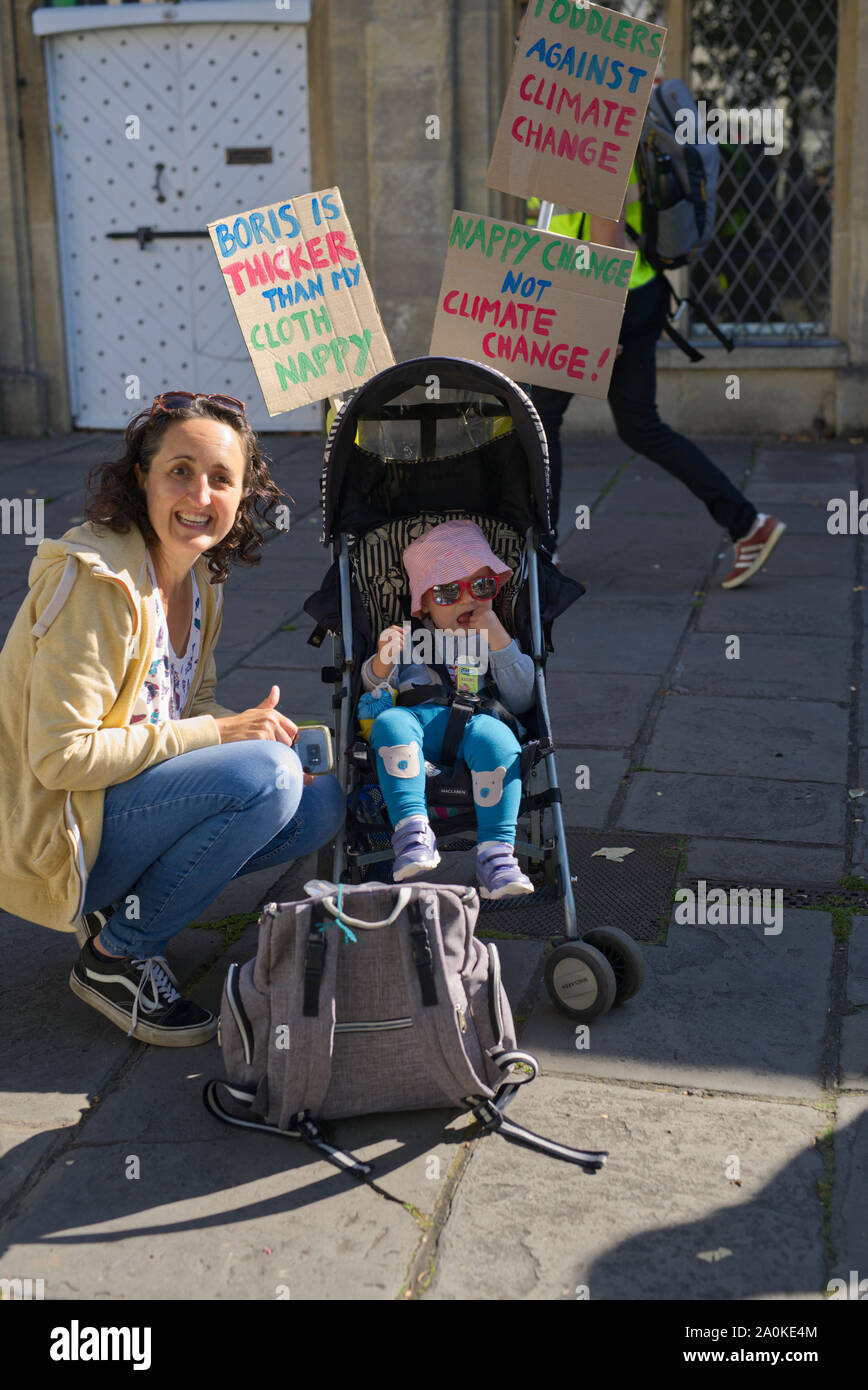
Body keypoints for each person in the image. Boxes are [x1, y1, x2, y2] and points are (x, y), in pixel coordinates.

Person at [0, 390, 344, 1047]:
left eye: (222, 478)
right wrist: (223, 738)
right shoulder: (98, 583)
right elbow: (60, 757)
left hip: (116, 809)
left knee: (318, 798)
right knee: (267, 779)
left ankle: (123, 907)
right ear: (142, 478)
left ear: (243, 497)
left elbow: (188, 705)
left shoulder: (200, 578)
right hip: (59, 835)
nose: (200, 493)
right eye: (180, 470)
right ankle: (116, 956)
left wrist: (249, 726)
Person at [360, 521, 535, 900]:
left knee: (501, 737)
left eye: (482, 586)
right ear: (422, 603)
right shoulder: (410, 638)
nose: (468, 599)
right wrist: (383, 658)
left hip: (475, 725)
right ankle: (412, 832)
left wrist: (499, 637)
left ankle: (498, 856)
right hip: (416, 728)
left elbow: (523, 699)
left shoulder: (494, 640)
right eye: (447, 591)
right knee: (389, 722)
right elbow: (374, 692)